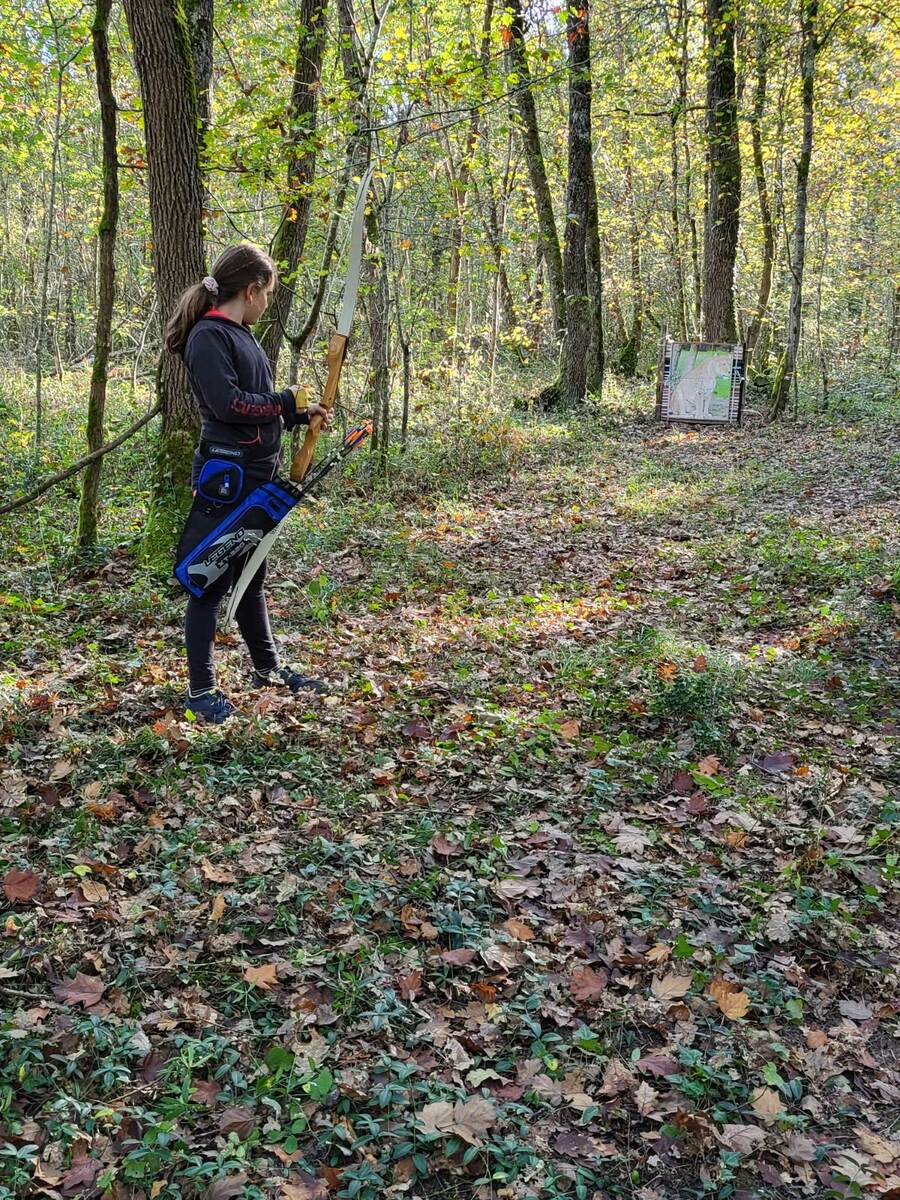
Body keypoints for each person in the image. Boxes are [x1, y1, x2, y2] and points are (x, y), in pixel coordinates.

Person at [165, 243, 332, 723]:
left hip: (254, 472)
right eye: (266, 295)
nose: (266, 304)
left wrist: (298, 413)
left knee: (251, 573)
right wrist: (283, 403)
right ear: (252, 290)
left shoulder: (240, 335)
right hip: (227, 477)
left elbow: (257, 404)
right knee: (207, 580)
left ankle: (268, 670)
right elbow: (230, 406)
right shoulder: (208, 337)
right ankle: (200, 691)